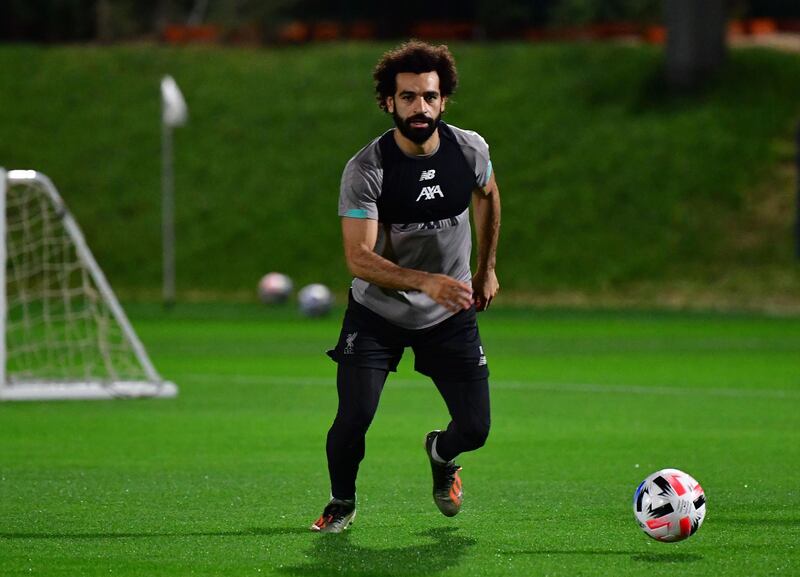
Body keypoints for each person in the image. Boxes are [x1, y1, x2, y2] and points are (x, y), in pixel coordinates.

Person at [311, 40, 501, 533]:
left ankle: (441, 452)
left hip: (449, 311)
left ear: (444, 101)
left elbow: (488, 195)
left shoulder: (469, 148)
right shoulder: (367, 169)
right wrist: (425, 281)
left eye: (430, 97)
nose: (421, 107)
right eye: (409, 97)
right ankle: (342, 502)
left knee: (476, 429)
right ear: (388, 103)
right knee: (354, 416)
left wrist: (486, 269)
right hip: (379, 314)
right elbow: (358, 258)